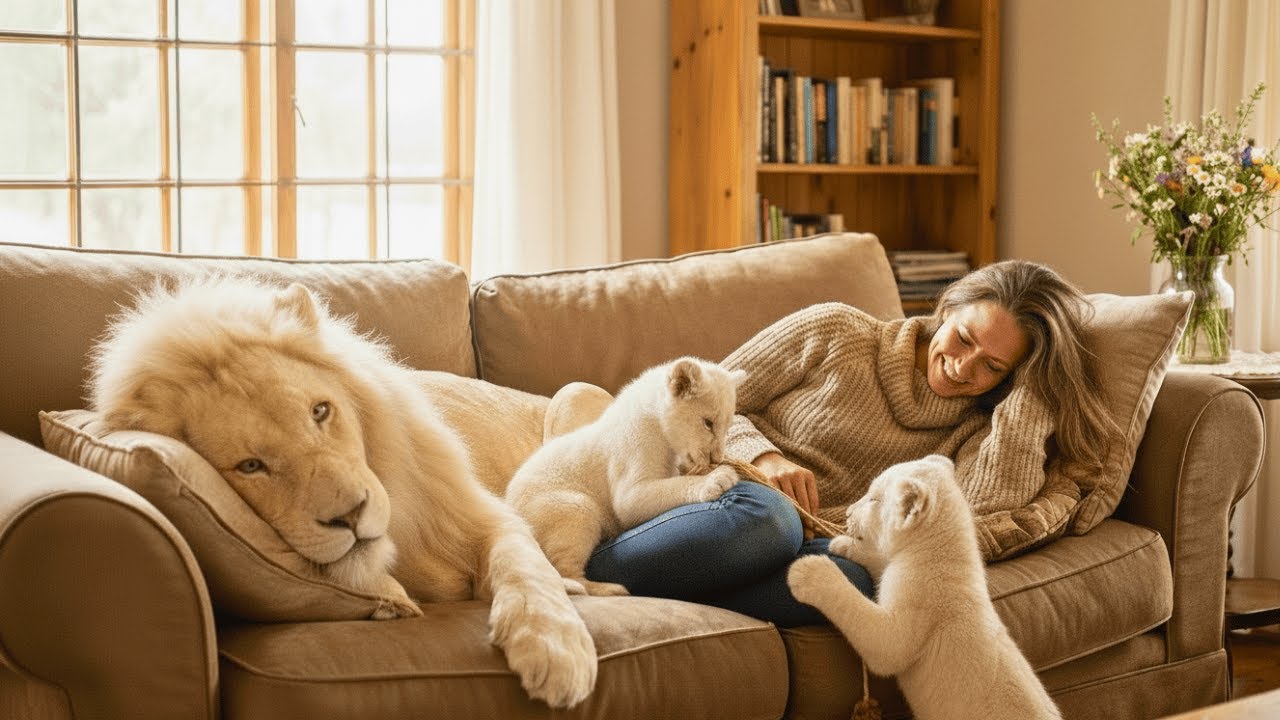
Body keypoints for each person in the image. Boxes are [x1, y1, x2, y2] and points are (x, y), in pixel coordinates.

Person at [583, 259, 1119, 627]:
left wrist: (1032, 393)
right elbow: (714, 399)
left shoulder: (980, 429)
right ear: (947, 308)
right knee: (770, 519)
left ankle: (661, 584)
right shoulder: (836, 330)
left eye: (993, 366)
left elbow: (984, 507)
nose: (961, 366)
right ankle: (602, 567)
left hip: (818, 538)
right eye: (963, 338)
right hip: (727, 501)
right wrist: (766, 459)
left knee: (855, 580)